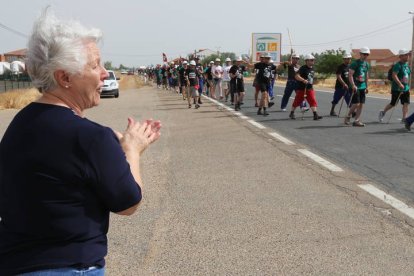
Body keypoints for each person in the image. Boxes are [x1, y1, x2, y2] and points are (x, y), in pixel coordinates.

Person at [0, 10, 161, 276]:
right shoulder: (91, 137)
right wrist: (132, 150)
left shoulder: (19, 125)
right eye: (95, 65)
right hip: (72, 266)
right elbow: (129, 203)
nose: (105, 73)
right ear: (64, 78)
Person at [379, 49, 411, 123]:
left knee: (406, 103)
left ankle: (404, 119)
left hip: (405, 88)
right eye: (406, 55)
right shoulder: (397, 65)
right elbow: (394, 75)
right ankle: (383, 112)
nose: (407, 56)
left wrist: (408, 87)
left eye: (408, 55)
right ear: (401, 56)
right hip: (397, 89)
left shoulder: (407, 66)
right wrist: (400, 84)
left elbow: (407, 76)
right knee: (393, 104)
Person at [289, 54, 322, 120]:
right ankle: (292, 112)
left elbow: (311, 77)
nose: (313, 61)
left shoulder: (313, 68)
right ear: (307, 61)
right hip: (302, 88)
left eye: (313, 60)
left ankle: (315, 115)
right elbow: (296, 76)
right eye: (311, 60)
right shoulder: (303, 68)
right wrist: (303, 80)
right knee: (297, 101)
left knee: (312, 100)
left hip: (310, 88)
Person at [345, 47, 371, 127]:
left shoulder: (367, 64)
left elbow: (366, 75)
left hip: (362, 86)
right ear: (360, 54)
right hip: (355, 86)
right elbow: (350, 75)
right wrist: (353, 85)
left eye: (367, 54)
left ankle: (356, 120)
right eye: (364, 54)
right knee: (356, 103)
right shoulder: (355, 63)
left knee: (361, 104)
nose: (365, 56)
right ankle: (348, 115)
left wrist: (366, 86)